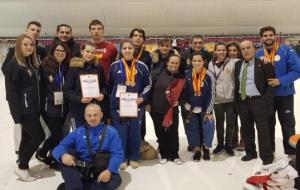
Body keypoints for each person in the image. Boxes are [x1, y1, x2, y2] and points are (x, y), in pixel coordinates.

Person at [1, 21, 46, 161]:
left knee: (27, 135)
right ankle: (22, 162)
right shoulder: (15, 57)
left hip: (34, 102)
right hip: (23, 105)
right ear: (27, 29)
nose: (35, 32)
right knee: (33, 134)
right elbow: (10, 82)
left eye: (37, 30)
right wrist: (17, 112)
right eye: (32, 29)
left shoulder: (38, 52)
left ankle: (22, 158)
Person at [52, 103, 123, 190]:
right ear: (85, 117)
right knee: (67, 153)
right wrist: (62, 155)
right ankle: (76, 187)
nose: (92, 118)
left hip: (101, 169)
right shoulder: (78, 132)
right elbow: (58, 148)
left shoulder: (112, 131)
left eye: (95, 115)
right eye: (89, 115)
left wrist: (109, 171)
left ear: (101, 115)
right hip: (82, 169)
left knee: (116, 180)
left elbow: (118, 154)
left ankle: (72, 186)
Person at [256, 26, 300, 156]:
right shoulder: (258, 54)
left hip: (284, 95)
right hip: (267, 96)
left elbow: (297, 70)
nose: (268, 37)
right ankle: (270, 152)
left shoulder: (286, 50)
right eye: (265, 35)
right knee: (268, 124)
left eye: (271, 35)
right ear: (261, 38)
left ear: (274, 36)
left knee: (288, 124)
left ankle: (291, 153)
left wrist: (280, 80)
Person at [6, 34, 45, 181]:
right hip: (25, 110)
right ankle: (21, 167)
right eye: (25, 44)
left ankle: (25, 168)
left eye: (31, 45)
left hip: (34, 108)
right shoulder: (14, 65)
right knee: (38, 136)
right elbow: (11, 92)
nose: (29, 47)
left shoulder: (31, 63)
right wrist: (16, 115)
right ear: (18, 46)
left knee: (26, 138)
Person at [109, 39, 151, 169]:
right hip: (118, 107)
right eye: (125, 48)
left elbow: (148, 84)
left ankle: (133, 157)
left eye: (130, 48)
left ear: (134, 50)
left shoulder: (141, 66)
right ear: (121, 50)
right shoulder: (114, 66)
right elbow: (110, 85)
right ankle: (122, 158)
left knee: (134, 133)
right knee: (120, 133)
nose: (127, 50)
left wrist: (142, 98)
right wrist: (113, 103)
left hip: (135, 106)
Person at [235, 40, 274, 165]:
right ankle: (250, 153)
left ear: (254, 49)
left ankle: (267, 157)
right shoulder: (238, 64)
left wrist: (264, 101)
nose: (246, 50)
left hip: (258, 101)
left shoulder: (263, 63)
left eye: (248, 48)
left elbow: (271, 84)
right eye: (243, 49)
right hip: (243, 101)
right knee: (246, 129)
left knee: (263, 131)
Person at [35, 41, 70, 167]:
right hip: (49, 107)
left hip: (63, 107)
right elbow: (40, 87)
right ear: (52, 52)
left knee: (59, 133)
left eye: (63, 51)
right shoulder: (45, 67)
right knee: (56, 134)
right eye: (57, 51)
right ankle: (42, 153)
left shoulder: (66, 67)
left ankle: (53, 158)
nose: (60, 53)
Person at [149, 53, 185, 165]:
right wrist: (148, 103)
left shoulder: (181, 77)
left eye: (176, 63)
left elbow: (185, 93)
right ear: (167, 63)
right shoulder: (156, 74)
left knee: (173, 132)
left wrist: (180, 102)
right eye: (172, 62)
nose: (174, 65)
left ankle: (174, 155)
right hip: (157, 109)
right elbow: (149, 90)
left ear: (179, 64)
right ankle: (164, 154)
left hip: (172, 110)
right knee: (160, 132)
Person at [64, 42, 108, 128]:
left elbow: (104, 86)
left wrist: (102, 94)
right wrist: (80, 99)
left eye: (92, 52)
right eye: (87, 51)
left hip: (95, 108)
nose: (90, 54)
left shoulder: (98, 68)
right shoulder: (74, 67)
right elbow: (67, 90)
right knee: (80, 135)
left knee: (95, 135)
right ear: (82, 51)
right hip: (78, 109)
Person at [181, 52, 215, 161]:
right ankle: (196, 150)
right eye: (194, 61)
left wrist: (209, 111)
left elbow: (212, 93)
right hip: (190, 108)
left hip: (205, 109)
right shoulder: (186, 74)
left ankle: (205, 148)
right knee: (192, 128)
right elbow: (182, 91)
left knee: (209, 125)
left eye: (199, 60)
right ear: (191, 62)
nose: (197, 63)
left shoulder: (209, 75)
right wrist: (185, 103)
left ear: (203, 61)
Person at [208, 42, 238, 156]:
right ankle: (220, 144)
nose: (221, 52)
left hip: (230, 100)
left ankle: (228, 144)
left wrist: (261, 58)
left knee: (231, 124)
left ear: (227, 51)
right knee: (219, 124)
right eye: (219, 50)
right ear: (215, 51)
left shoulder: (233, 62)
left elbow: (248, 61)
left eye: (223, 50)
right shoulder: (210, 64)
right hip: (217, 100)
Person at [129, 28, 152, 142]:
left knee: (141, 122)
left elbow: (148, 80)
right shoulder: (123, 52)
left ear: (143, 39)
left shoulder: (147, 55)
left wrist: (146, 100)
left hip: (140, 96)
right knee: (125, 122)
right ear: (131, 38)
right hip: (125, 95)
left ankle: (140, 144)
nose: (138, 38)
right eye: (135, 35)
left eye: (140, 36)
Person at [227, 41, 244, 151]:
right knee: (232, 119)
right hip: (230, 96)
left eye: (235, 50)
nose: (232, 52)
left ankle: (244, 140)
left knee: (244, 119)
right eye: (230, 50)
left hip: (242, 95)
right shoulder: (224, 62)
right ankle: (233, 140)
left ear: (238, 51)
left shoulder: (244, 62)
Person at [89, 19, 118, 83]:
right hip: (88, 82)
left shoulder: (111, 47)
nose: (96, 31)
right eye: (93, 29)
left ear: (103, 31)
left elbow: (114, 65)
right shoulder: (84, 47)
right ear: (90, 31)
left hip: (106, 83)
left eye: (99, 29)